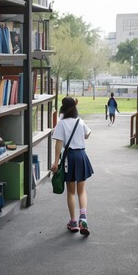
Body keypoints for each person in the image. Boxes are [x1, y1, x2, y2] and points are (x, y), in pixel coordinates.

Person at [51, 97, 93, 236]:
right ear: (75, 108)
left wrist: (56, 163)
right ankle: (83, 218)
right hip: (81, 156)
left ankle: (73, 222)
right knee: (82, 190)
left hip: (69, 157)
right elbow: (88, 134)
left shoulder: (61, 124)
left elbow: (58, 145)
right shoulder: (80, 121)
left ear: (63, 108)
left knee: (71, 191)